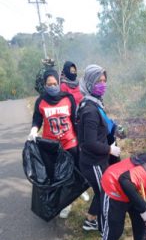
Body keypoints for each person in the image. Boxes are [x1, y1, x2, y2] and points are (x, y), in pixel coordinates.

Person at [27, 69, 79, 218]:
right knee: (57, 175)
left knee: (72, 172)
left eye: (55, 83)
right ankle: (64, 202)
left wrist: (80, 140)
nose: (53, 86)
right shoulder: (41, 101)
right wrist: (34, 130)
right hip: (51, 146)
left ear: (59, 83)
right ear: (44, 85)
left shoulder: (68, 98)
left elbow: (75, 120)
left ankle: (71, 197)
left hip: (70, 142)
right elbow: (37, 119)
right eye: (49, 84)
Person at [78, 64, 121, 231]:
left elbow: (101, 126)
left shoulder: (94, 103)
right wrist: (110, 150)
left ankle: (91, 221)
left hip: (98, 159)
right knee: (104, 193)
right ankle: (104, 229)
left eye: (104, 80)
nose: (102, 84)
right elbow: (89, 142)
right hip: (93, 162)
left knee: (102, 191)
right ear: (89, 82)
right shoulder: (89, 110)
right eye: (98, 81)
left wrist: (115, 128)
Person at [60, 60, 89, 202]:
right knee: (73, 155)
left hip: (83, 120)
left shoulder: (79, 83)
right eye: (70, 70)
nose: (73, 73)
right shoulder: (63, 86)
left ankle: (82, 184)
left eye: (74, 70)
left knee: (82, 153)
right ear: (65, 71)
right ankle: (75, 187)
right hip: (71, 123)